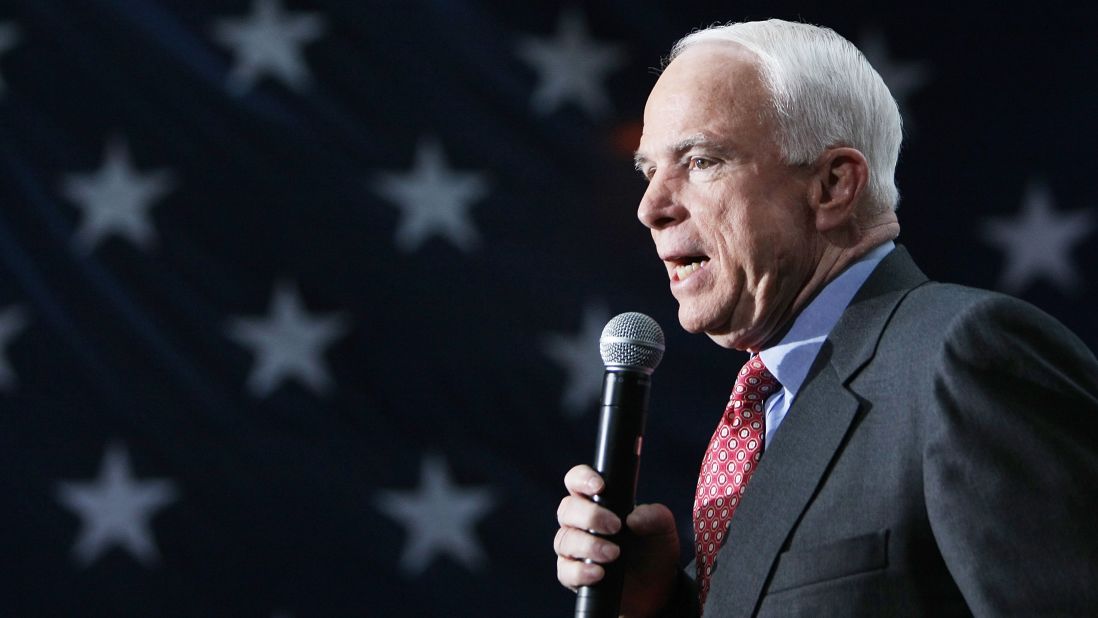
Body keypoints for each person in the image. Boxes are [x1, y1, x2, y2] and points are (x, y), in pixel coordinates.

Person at [553, 19, 1098, 616]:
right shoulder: (775, 405)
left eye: (701, 160)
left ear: (834, 185)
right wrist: (663, 604)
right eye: (648, 171)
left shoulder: (963, 356)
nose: (650, 207)